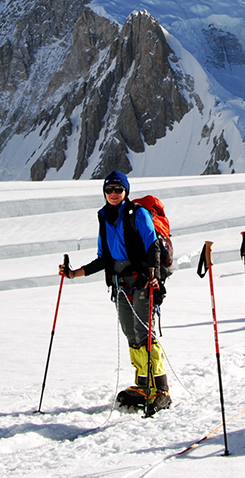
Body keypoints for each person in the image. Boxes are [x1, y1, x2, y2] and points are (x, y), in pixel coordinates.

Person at [59, 171, 170, 413]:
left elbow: (152, 246)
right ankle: (143, 384)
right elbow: (104, 258)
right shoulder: (104, 217)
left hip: (142, 280)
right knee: (131, 332)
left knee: (144, 332)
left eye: (118, 189)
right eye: (109, 190)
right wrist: (74, 273)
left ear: (126, 191)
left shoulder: (137, 213)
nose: (113, 194)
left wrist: (153, 275)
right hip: (120, 282)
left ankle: (160, 389)